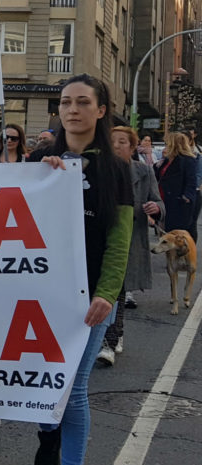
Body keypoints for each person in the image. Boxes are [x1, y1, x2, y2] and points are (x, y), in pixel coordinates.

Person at [28, 74, 133, 465]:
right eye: (65, 102)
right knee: (44, 385)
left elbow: (119, 237)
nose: (72, 110)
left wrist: (108, 293)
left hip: (91, 299)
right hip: (39, 297)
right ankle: (47, 431)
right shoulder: (38, 163)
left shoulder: (116, 170)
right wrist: (45, 178)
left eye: (83, 102)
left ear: (101, 110)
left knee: (72, 391)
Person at [96, 126, 163, 365]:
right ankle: (112, 335)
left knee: (117, 293)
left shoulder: (144, 172)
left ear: (133, 146)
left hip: (129, 240)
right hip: (98, 239)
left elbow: (157, 201)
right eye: (111, 141)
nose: (116, 146)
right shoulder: (96, 170)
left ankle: (110, 342)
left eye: (122, 142)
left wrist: (155, 209)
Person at [154, 132, 196, 233]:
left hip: (177, 201)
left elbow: (191, 180)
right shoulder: (166, 160)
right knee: (163, 230)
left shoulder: (187, 160)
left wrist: (186, 197)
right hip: (163, 199)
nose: (165, 146)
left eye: (167, 143)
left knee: (174, 233)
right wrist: (156, 167)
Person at [182, 130, 202, 242]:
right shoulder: (175, 155)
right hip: (179, 192)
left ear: (190, 140)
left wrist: (191, 190)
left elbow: (198, 175)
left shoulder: (197, 155)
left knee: (191, 224)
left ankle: (191, 249)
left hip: (193, 193)